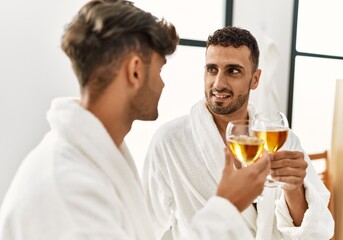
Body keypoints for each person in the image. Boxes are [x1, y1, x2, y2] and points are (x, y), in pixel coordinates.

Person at [0, 1, 273, 239]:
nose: (163, 83)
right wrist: (225, 206)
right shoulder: (66, 186)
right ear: (134, 71)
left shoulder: (99, 159)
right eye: (159, 69)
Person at [143, 26, 335, 240]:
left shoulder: (285, 140)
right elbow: (144, 229)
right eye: (212, 69)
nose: (218, 83)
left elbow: (314, 234)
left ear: (255, 79)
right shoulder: (170, 142)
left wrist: (293, 188)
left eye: (233, 70)